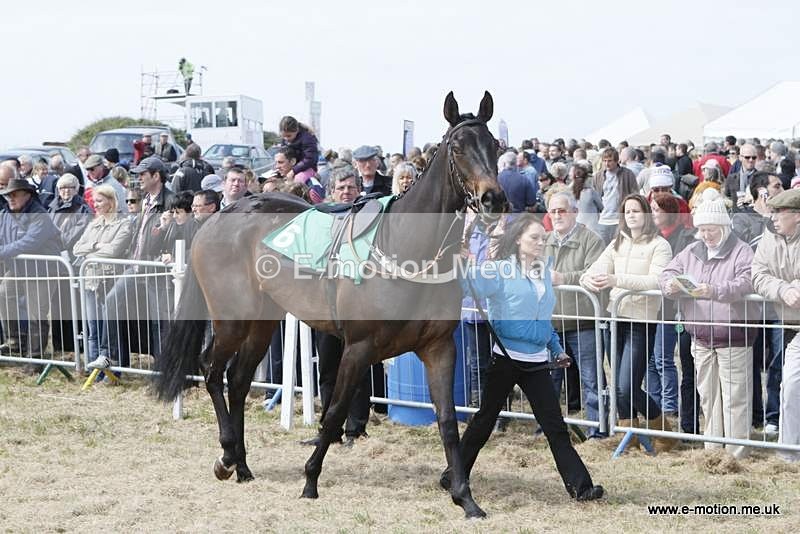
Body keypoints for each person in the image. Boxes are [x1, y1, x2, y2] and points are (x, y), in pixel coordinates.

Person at [441, 214, 604, 501]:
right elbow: (468, 287)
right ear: (518, 240)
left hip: (537, 362)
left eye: (543, 238)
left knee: (555, 426)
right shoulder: (499, 271)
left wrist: (556, 348)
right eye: (535, 238)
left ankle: (582, 488)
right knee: (484, 422)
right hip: (505, 360)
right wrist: (463, 262)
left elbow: (544, 319)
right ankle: (453, 474)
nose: (541, 243)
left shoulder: (543, 271)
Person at [660, 188, 756, 459]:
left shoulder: (741, 251)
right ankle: (712, 449)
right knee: (709, 397)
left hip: (733, 336)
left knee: (735, 398)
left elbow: (746, 281)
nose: (705, 235)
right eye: (701, 230)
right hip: (701, 337)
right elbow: (668, 271)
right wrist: (670, 284)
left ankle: (737, 454)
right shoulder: (692, 250)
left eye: (711, 230)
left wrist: (713, 290)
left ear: (724, 227)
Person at [580, 194, 677, 453]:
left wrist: (615, 280)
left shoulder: (660, 245)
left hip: (641, 320)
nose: (631, 215)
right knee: (620, 387)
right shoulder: (616, 243)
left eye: (636, 210)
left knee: (626, 386)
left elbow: (655, 281)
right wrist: (589, 281)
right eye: (627, 211)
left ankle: (663, 432)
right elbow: (593, 270)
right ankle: (629, 434)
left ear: (646, 213)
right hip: (616, 317)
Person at [546, 193, 607, 438]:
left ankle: (598, 429)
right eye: (553, 211)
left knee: (592, 380)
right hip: (551, 324)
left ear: (573, 212)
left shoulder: (591, 240)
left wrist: (564, 279)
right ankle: (549, 428)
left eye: (562, 210)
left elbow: (595, 272)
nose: (557, 215)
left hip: (583, 321)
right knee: (549, 381)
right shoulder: (544, 240)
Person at [751, 188, 800, 462]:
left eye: (780, 212)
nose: (774, 217)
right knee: (790, 386)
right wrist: (782, 289)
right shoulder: (769, 238)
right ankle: (789, 456)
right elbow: (757, 274)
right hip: (794, 329)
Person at [649, 192, 699, 433]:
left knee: (671, 360)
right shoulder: (652, 237)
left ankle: (671, 405)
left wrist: (677, 283)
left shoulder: (687, 237)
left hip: (681, 309)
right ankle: (656, 402)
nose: (653, 215)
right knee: (656, 358)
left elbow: (691, 275)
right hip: (658, 307)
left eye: (658, 210)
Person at [0, 180, 63, 357]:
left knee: (37, 313)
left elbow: (29, 242)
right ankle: (15, 343)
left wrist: (2, 252)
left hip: (42, 270)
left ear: (27, 195)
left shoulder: (40, 214)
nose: (10, 198)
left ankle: (35, 356)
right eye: (8, 195)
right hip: (20, 268)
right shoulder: (5, 214)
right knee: (4, 293)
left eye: (14, 194)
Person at [72, 185, 132, 367]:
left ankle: (114, 369)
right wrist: (97, 246)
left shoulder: (124, 223)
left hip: (109, 279)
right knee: (93, 329)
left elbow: (115, 250)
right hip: (90, 280)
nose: (95, 205)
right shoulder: (94, 224)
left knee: (110, 328)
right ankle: (93, 369)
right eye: (94, 201)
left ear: (111, 202)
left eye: (99, 201)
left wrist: (90, 251)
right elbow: (76, 248)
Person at [592, 148, 639, 244]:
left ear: (617, 161)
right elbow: (595, 197)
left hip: (620, 219)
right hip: (603, 220)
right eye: (604, 161)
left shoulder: (627, 174)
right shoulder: (598, 176)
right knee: (604, 250)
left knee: (621, 248)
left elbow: (635, 194)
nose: (606, 164)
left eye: (610, 161)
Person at [48, 173, 90, 254]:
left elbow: (75, 235)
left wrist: (54, 244)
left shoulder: (83, 209)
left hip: (69, 255)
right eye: (63, 187)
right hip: (51, 251)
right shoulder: (52, 208)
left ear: (76, 189)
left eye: (71, 187)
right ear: (58, 190)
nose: (66, 190)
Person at [279, 116, 319, 183]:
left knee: (298, 180)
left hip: (307, 168)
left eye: (289, 136)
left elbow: (310, 159)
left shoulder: (307, 138)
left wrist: (293, 171)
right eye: (284, 136)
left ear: (297, 130)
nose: (286, 139)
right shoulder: (286, 140)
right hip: (293, 167)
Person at [570, 162, 602, 235]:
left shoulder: (570, 193)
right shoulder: (590, 192)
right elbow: (601, 206)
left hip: (577, 225)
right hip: (592, 226)